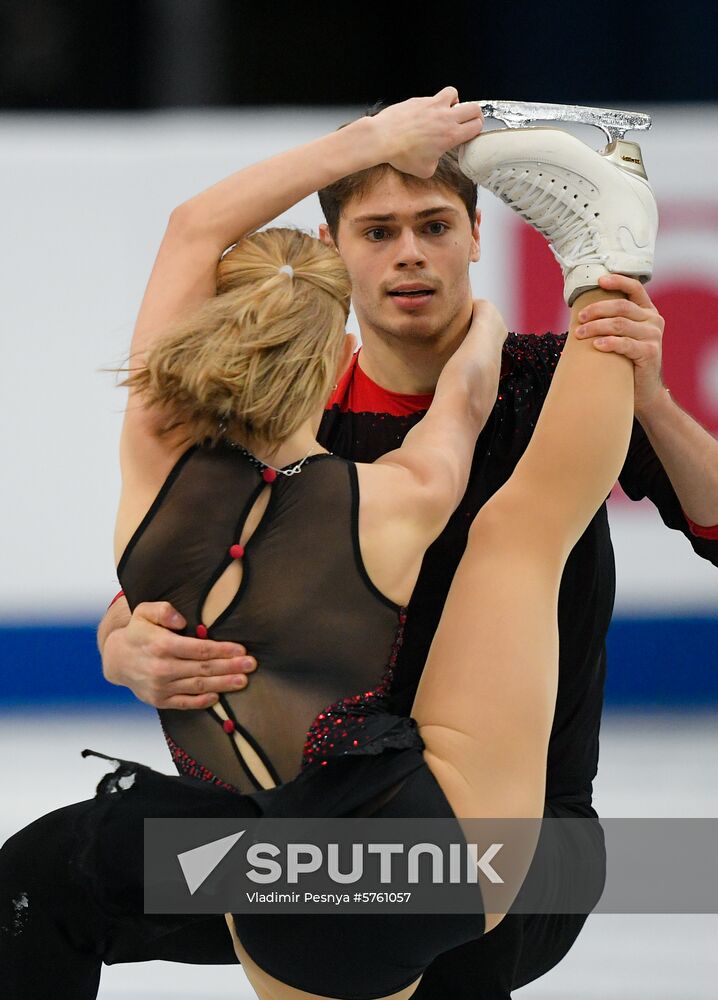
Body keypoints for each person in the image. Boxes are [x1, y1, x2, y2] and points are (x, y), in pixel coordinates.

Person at [1, 87, 714, 999]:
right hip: (317, 848)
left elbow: (199, 534)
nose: (410, 251)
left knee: (357, 915)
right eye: (379, 230)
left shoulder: (562, 381)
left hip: (524, 849)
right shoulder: (307, 426)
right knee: (50, 872)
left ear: (475, 237)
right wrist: (125, 642)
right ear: (337, 253)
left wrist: (649, 396)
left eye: (434, 225)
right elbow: (206, 584)